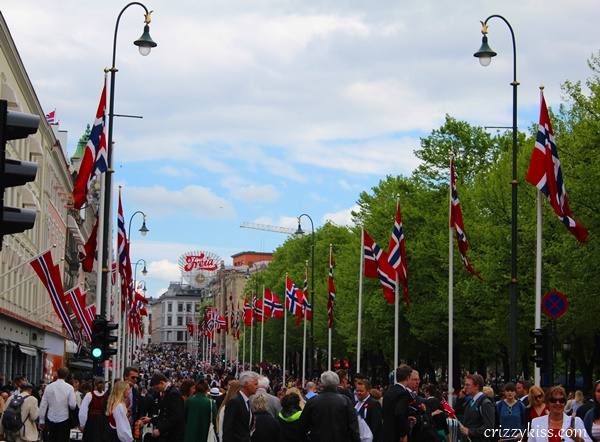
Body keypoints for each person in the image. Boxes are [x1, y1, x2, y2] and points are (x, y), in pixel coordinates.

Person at [300, 370, 360, 442]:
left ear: (322, 384)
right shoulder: (345, 401)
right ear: (337, 383)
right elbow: (353, 426)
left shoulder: (312, 402)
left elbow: (302, 426)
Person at [38, 367, 77, 442]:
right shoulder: (69, 388)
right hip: (64, 419)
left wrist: (41, 420)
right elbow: (72, 405)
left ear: (57, 374)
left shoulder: (49, 387)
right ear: (67, 375)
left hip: (50, 418)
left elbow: (43, 405)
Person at [143, 372, 185, 442]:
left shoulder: (173, 394)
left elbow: (175, 417)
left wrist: (160, 430)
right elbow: (164, 415)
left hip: (173, 435)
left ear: (162, 383)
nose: (157, 390)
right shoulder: (168, 392)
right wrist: (150, 420)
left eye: (157, 388)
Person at [223, 371, 259, 442]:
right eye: (255, 384)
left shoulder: (247, 401)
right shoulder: (234, 402)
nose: (257, 387)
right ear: (246, 384)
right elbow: (227, 428)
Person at [459, 374, 495, 441]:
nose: (464, 388)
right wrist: (460, 399)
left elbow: (489, 428)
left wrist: (470, 432)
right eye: (465, 385)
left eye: (467, 385)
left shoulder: (485, 403)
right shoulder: (470, 402)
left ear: (476, 386)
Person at [381, 364, 413, 442]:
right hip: (397, 435)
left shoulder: (388, 392)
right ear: (408, 377)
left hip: (386, 434)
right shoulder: (403, 393)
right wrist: (403, 434)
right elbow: (400, 413)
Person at [355, 378, 382, 442]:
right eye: (357, 391)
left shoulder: (374, 404)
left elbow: (376, 426)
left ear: (368, 391)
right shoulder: (355, 403)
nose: (359, 393)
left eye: (361, 391)